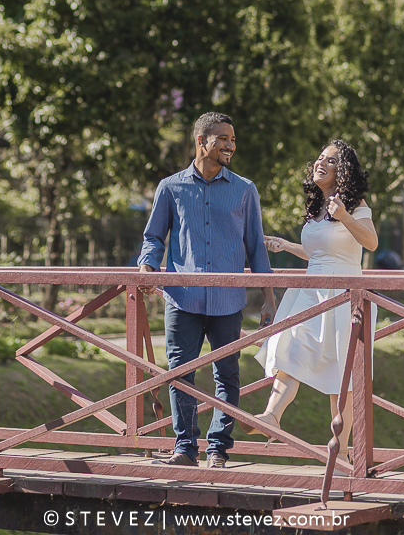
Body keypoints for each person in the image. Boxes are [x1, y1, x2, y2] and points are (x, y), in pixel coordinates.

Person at [138, 112, 276, 469]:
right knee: (179, 372)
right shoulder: (170, 187)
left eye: (233, 139)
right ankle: (185, 448)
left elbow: (256, 248)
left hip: (228, 300)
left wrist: (269, 297)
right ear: (202, 141)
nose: (231, 145)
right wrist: (146, 268)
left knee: (227, 374)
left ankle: (218, 448)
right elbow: (154, 237)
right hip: (182, 298)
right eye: (223, 139)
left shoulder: (245, 189)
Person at [242, 139, 378, 470]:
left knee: (339, 376)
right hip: (310, 291)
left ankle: (342, 452)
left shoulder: (355, 205)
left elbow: (370, 243)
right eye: (319, 158)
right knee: (289, 348)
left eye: (330, 161)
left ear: (342, 172)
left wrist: (344, 215)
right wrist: (287, 245)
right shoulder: (316, 207)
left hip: (345, 296)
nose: (320, 163)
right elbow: (320, 252)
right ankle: (272, 417)